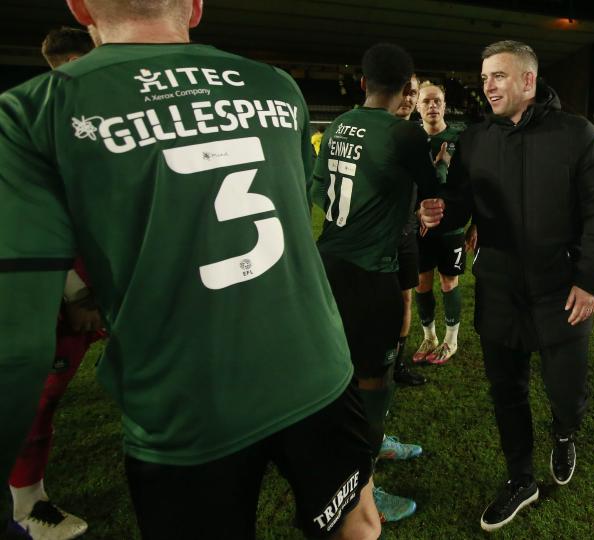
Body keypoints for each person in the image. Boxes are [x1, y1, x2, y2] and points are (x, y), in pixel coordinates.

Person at [0, 2, 381, 539]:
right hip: (315, 363)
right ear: (196, 7)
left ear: (80, 6)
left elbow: (14, 345)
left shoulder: (30, 111)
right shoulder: (276, 87)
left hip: (185, 399)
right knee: (357, 523)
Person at [420, 40, 594, 532]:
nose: (487, 85)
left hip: (561, 292)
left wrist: (590, 281)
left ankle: (565, 433)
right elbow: (461, 202)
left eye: (499, 76)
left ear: (528, 81)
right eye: (484, 76)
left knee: (565, 390)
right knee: (505, 392)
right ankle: (520, 478)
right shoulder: (475, 140)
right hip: (500, 289)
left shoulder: (576, 135)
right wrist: (438, 208)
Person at [313, 43, 440, 524]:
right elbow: (432, 194)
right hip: (371, 274)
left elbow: (319, 186)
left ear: (362, 84)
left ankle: (373, 438)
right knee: (371, 381)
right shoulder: (404, 135)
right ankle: (361, 490)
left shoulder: (340, 124)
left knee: (346, 373)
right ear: (409, 88)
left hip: (328, 265)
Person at [6, 27, 101, 540]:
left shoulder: (78, 117)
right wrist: (76, 292)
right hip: (59, 294)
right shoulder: (32, 119)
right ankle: (27, 508)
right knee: (38, 397)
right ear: (68, 62)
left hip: (103, 283)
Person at [411, 81, 468, 365]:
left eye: (437, 101)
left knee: (449, 281)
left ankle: (450, 341)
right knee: (422, 282)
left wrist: (477, 224)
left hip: (452, 228)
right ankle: (429, 336)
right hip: (420, 227)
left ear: (444, 105)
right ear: (418, 106)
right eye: (426, 102)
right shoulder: (410, 139)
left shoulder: (462, 139)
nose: (432, 106)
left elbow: (473, 185)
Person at [391, 75, 427, 387]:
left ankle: (397, 365)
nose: (407, 98)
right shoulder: (371, 130)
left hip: (406, 234)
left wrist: (422, 210)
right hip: (374, 238)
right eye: (401, 91)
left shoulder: (416, 135)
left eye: (412, 92)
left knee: (405, 299)